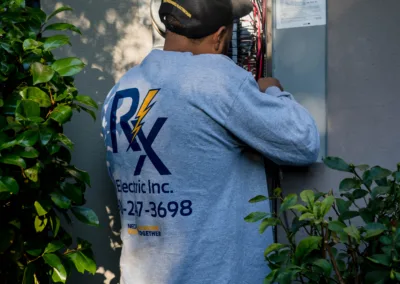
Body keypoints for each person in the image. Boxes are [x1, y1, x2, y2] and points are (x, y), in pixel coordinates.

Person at [101, 0, 320, 283]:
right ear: (218, 37)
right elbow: (303, 142)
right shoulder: (214, 79)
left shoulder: (120, 90)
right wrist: (272, 92)